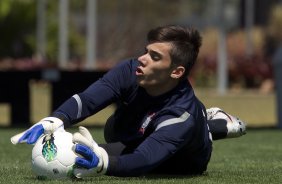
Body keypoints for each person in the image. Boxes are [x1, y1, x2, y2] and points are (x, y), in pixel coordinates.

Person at [11, 25, 246, 177]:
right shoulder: (131, 70)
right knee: (113, 129)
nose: (142, 59)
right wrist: (55, 119)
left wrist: (103, 163)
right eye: (146, 51)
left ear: (176, 72)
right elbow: (89, 99)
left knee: (89, 158)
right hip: (140, 129)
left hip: (180, 160)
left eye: (154, 57)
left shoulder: (180, 115)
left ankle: (213, 126)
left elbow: (145, 159)